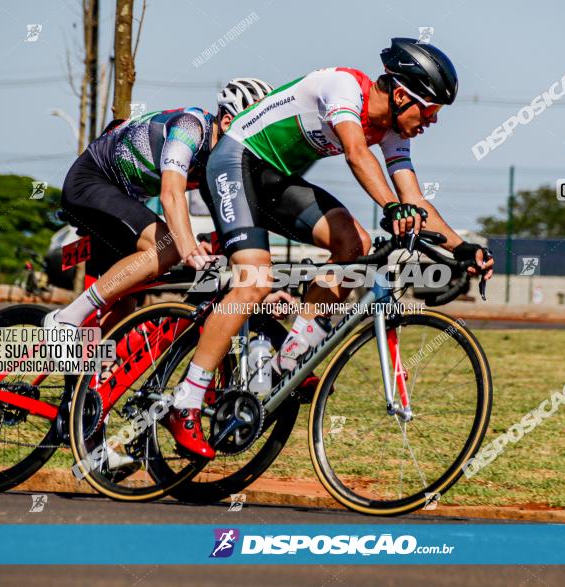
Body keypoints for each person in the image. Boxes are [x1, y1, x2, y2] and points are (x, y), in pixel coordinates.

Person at [172, 38, 494, 459]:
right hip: (234, 162)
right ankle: (186, 401)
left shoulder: (393, 131)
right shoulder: (344, 88)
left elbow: (413, 197)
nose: (432, 121)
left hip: (274, 180)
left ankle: (284, 365)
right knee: (255, 280)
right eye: (430, 110)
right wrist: (391, 207)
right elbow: (357, 154)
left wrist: (462, 248)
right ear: (400, 95)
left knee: (354, 244)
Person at [45, 78, 277, 459]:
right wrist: (186, 248)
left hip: (121, 197)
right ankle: (68, 317)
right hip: (91, 182)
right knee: (165, 247)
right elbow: (171, 194)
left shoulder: (221, 159)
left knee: (121, 323)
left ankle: (86, 427)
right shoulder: (191, 127)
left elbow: (227, 215)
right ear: (227, 118)